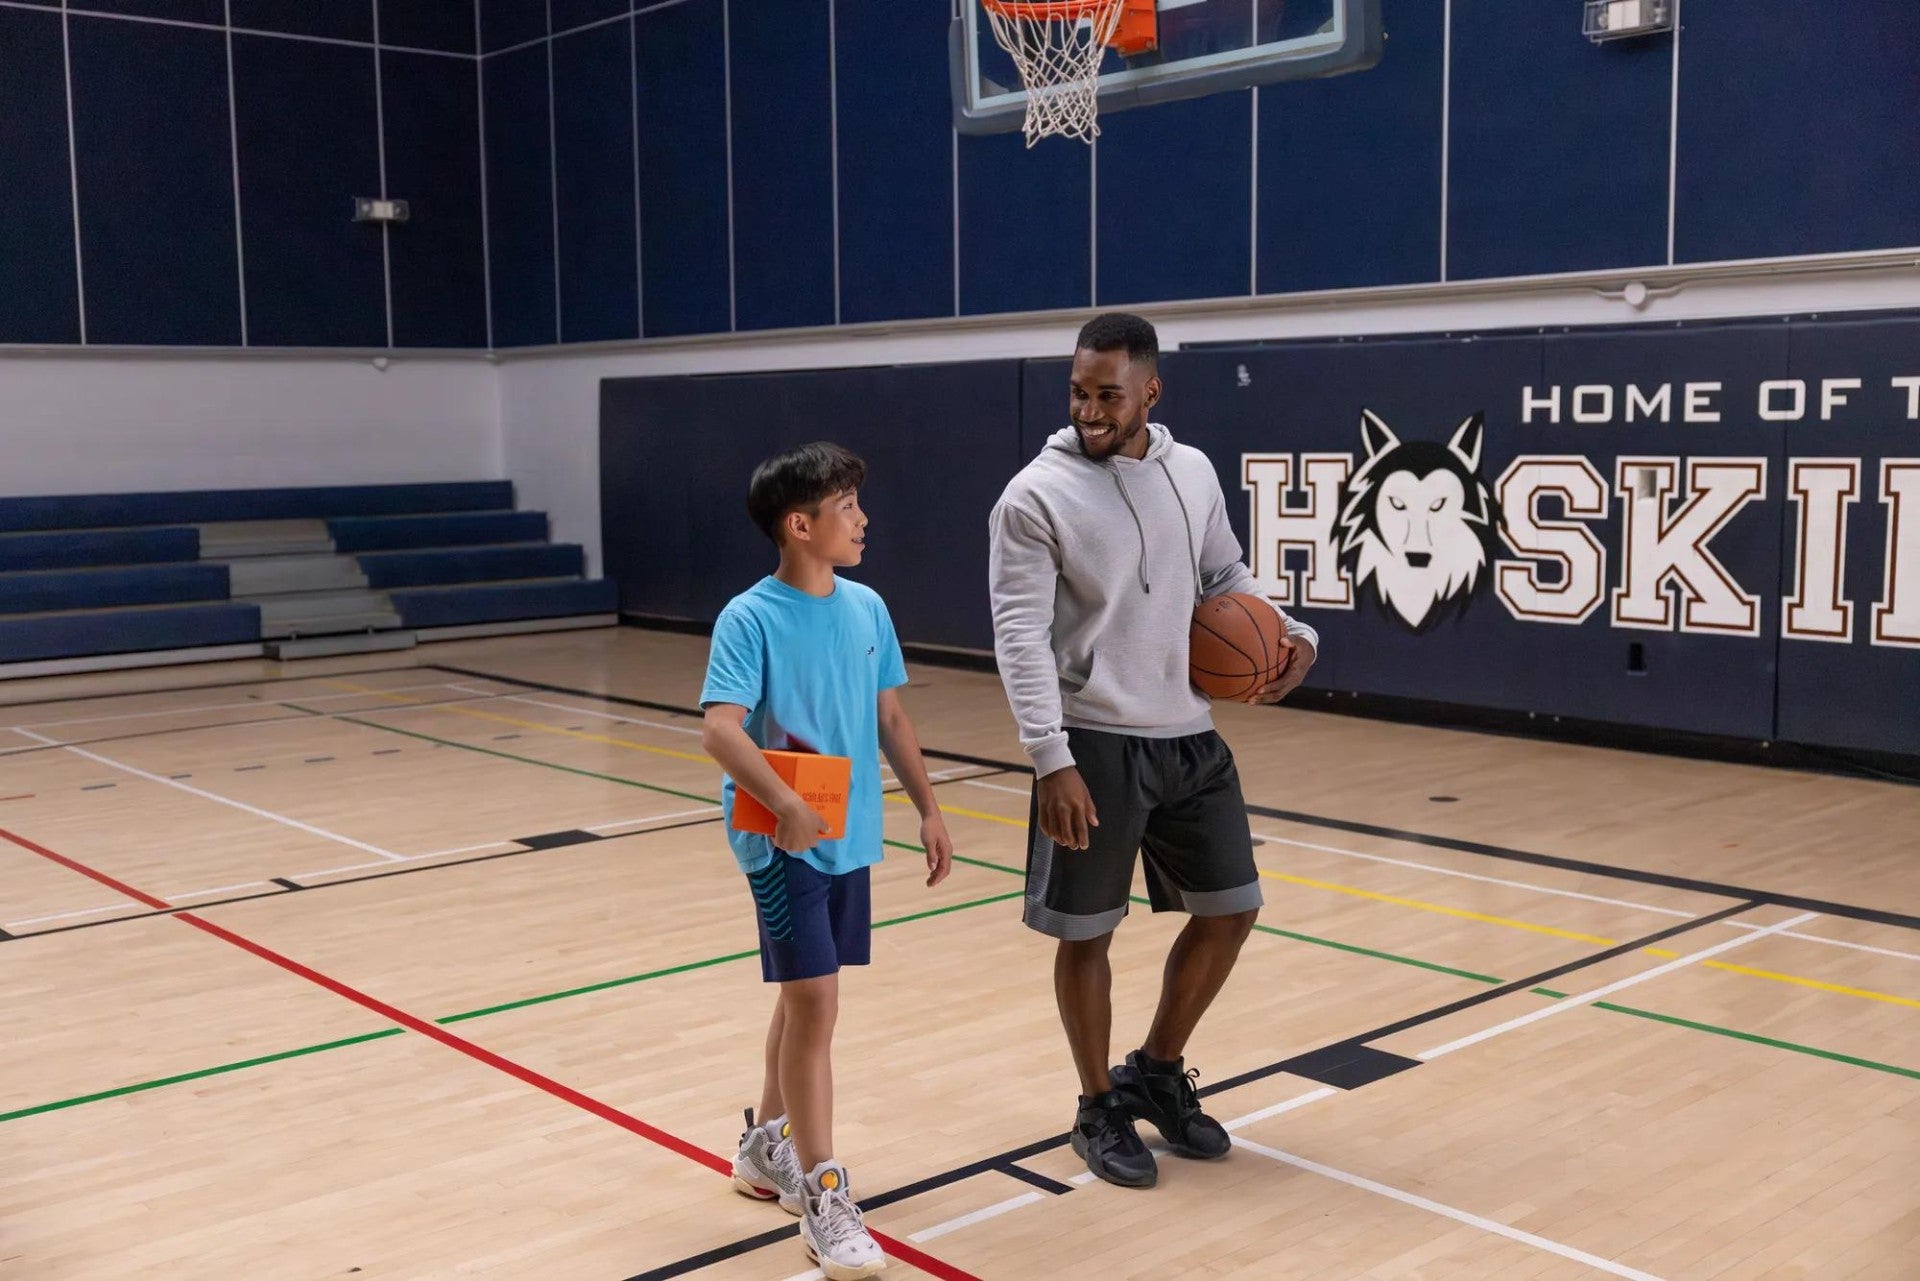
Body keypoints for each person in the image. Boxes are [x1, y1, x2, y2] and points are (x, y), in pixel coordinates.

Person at [986, 312, 1319, 1188]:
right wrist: (1048, 755)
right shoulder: (1033, 496)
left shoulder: (1193, 471)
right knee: (1088, 932)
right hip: (1092, 741)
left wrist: (1293, 634)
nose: (1090, 410)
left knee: (1233, 906)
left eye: (1108, 395)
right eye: (1078, 392)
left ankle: (1157, 1071)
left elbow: (1226, 578)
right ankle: (1098, 1107)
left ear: (1150, 391)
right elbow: (1018, 635)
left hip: (1190, 734)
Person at [701, 441, 954, 1279]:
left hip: (849, 834)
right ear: (800, 524)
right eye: (847, 506)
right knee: (814, 999)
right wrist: (786, 804)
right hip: (780, 840)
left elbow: (890, 718)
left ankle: (760, 1148)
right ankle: (822, 1195)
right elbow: (721, 728)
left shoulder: (867, 607)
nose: (863, 518)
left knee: (801, 997)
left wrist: (928, 806)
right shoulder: (749, 616)